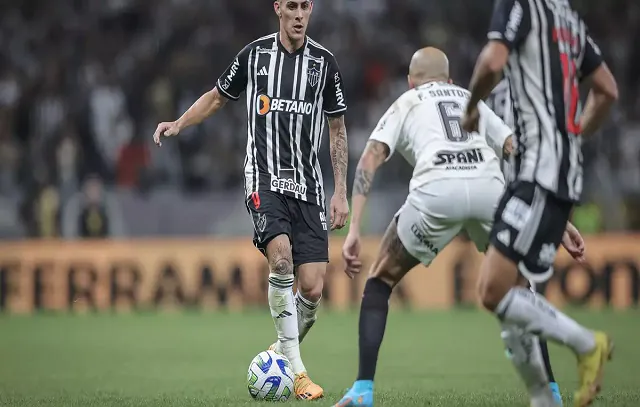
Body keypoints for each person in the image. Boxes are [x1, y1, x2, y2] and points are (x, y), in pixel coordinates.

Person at [333, 47, 586, 407]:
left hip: (437, 190)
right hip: (489, 190)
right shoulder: (472, 98)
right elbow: (515, 148)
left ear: (410, 82)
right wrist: (559, 221)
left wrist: (354, 227)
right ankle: (552, 393)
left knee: (379, 280)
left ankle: (362, 391)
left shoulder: (407, 101)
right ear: (451, 80)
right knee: (519, 289)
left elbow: (372, 155)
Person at [152, 0, 350, 400]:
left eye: (305, 6)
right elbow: (216, 97)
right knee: (281, 260)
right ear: (278, 8)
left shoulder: (324, 64)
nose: (299, 14)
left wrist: (341, 190)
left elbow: (337, 128)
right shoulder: (255, 55)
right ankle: (297, 373)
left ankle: (279, 351)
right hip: (264, 178)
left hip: (308, 187)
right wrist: (179, 123)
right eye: (291, 6)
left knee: (311, 288)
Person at [461, 0, 618, 406]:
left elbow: (493, 61)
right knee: (510, 290)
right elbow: (607, 90)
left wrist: (471, 106)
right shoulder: (570, 20)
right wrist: (572, 140)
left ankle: (586, 344)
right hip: (553, 175)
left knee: (493, 290)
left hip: (535, 173)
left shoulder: (519, 6)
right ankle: (544, 399)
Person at [486, 78, 564, 405]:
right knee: (517, 291)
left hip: (504, 198)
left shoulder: (494, 95)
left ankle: (549, 382)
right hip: (520, 198)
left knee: (519, 291)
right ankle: (545, 379)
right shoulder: (537, 88)